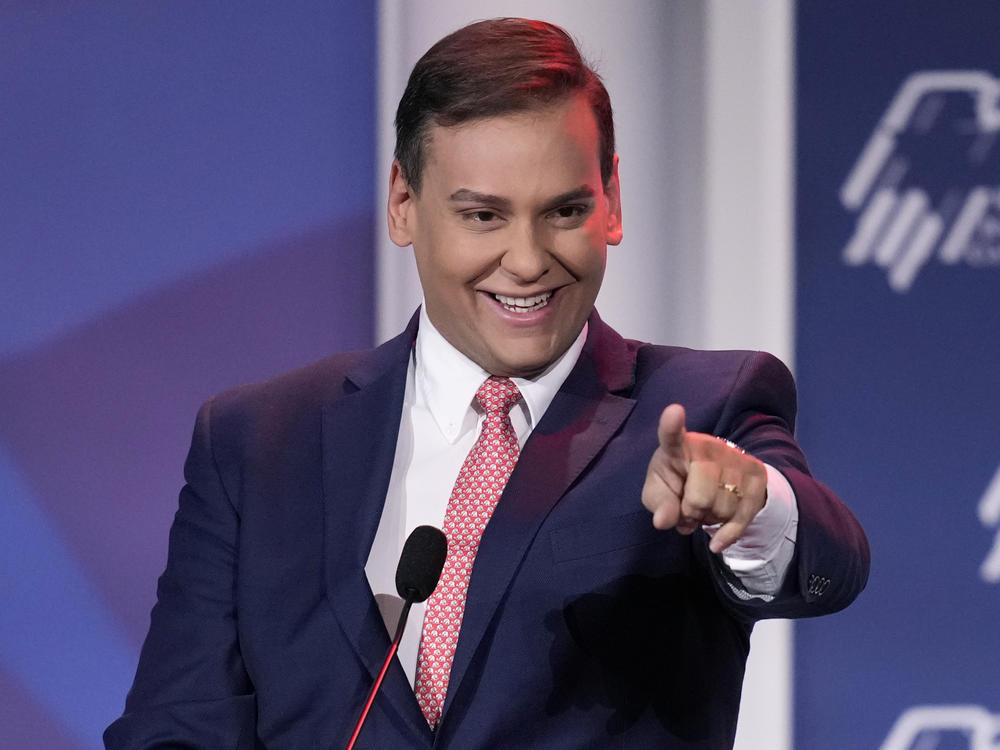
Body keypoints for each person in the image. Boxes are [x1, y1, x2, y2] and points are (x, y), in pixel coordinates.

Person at [105, 18, 869, 749]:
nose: (529, 259)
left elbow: (827, 561)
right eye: (484, 216)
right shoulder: (258, 441)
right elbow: (178, 725)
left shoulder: (704, 406)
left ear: (612, 200)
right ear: (404, 204)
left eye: (565, 210)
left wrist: (750, 503)